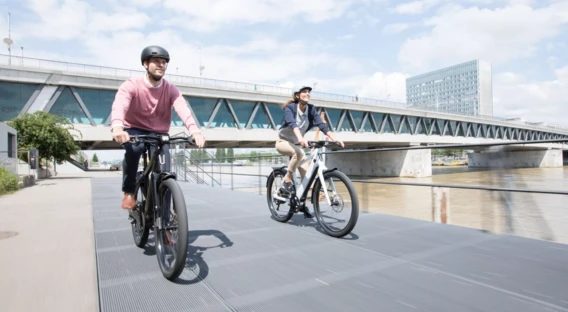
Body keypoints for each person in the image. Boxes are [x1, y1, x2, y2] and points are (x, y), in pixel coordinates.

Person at [110, 45, 206, 210]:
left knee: (164, 170)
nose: (161, 65)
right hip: (135, 128)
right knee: (134, 150)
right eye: (156, 61)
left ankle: (166, 217)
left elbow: (183, 109)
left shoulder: (170, 89)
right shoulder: (132, 85)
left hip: (159, 132)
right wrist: (118, 127)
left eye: (164, 62)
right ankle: (129, 191)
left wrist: (195, 131)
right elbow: (120, 104)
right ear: (145, 64)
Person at [275, 86, 344, 218]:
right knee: (300, 153)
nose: (307, 94)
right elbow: (292, 123)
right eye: (304, 92)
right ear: (297, 96)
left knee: (306, 176)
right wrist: (301, 138)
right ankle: (288, 178)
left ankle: (301, 204)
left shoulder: (311, 109)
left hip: (296, 145)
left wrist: (336, 139)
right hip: (283, 142)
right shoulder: (291, 108)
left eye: (309, 92)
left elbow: (322, 125)